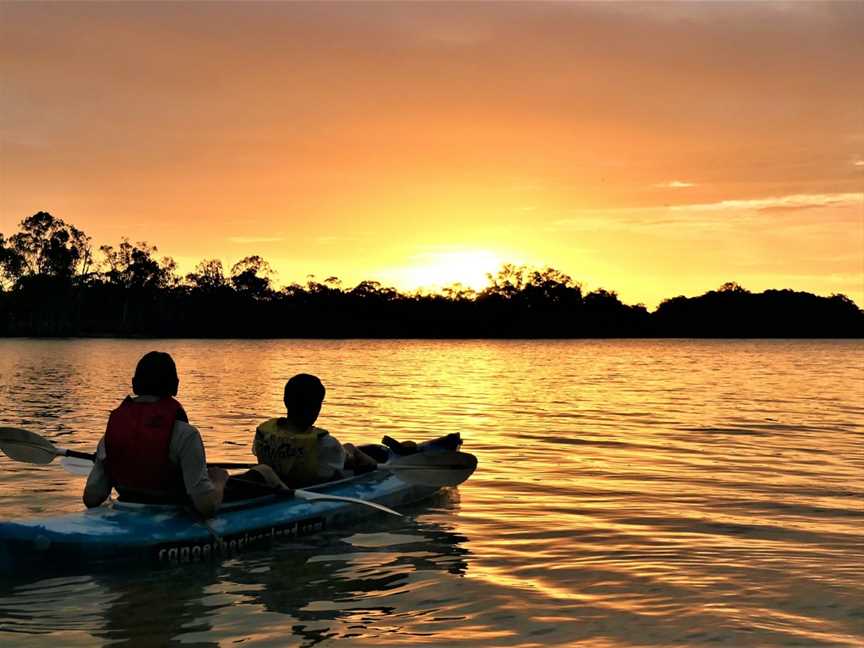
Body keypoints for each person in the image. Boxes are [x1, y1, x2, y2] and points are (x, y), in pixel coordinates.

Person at [82, 351, 228, 518]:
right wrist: (218, 481)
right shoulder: (186, 435)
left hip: (126, 513)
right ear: (176, 385)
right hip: (170, 515)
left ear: (134, 384)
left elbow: (92, 498)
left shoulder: (110, 435)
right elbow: (205, 506)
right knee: (262, 474)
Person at [253, 373, 377, 488]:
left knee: (347, 449)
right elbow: (367, 465)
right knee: (349, 456)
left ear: (285, 401)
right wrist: (358, 454)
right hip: (308, 489)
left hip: (275, 485)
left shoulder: (263, 432)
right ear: (318, 407)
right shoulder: (324, 443)